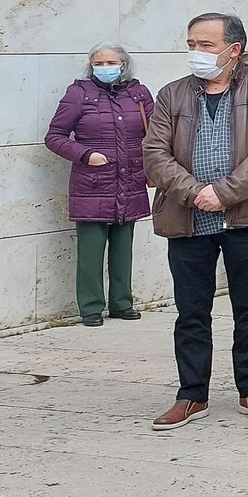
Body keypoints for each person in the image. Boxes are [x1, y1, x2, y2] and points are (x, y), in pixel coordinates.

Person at [143, 13, 248, 429]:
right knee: (191, 312)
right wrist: (194, 192)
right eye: (191, 44)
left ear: (234, 49)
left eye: (206, 45)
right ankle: (191, 394)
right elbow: (154, 152)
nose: (196, 52)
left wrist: (223, 192)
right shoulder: (172, 94)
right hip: (187, 217)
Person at [47, 43, 156, 326]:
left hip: (129, 180)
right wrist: (86, 155)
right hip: (92, 183)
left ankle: (122, 303)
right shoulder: (78, 93)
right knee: (91, 252)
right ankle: (91, 307)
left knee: (123, 249)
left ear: (123, 64)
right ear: (91, 65)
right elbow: (55, 136)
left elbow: (156, 133)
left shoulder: (138, 93)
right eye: (99, 63)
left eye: (111, 62)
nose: (105, 67)